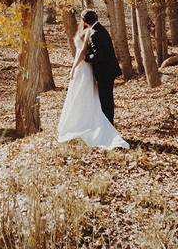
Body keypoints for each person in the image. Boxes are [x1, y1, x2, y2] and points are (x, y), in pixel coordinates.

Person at [55, 9, 128, 150]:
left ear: (84, 20)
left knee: (106, 99)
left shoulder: (94, 33)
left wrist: (86, 59)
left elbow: (98, 55)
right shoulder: (98, 29)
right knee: (104, 99)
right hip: (106, 71)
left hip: (104, 72)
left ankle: (108, 127)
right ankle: (107, 125)